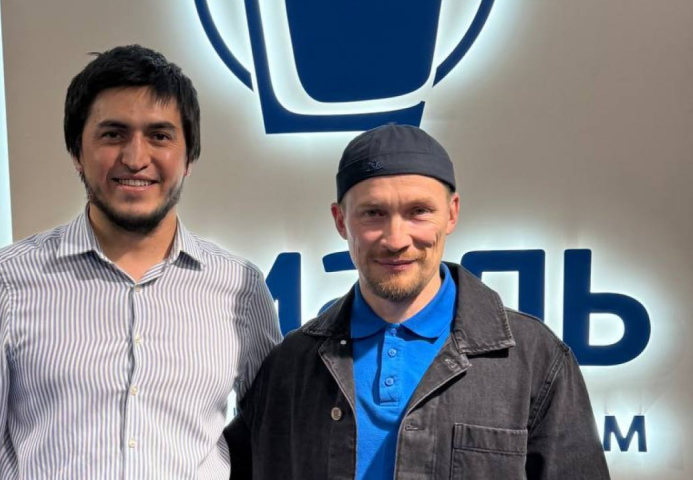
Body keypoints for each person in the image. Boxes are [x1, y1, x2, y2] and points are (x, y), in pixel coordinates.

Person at [0, 45, 281, 479]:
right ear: (76, 152)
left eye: (159, 136)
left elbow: (276, 442)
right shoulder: (6, 280)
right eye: (113, 134)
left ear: (188, 157)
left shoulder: (239, 286)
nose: (135, 159)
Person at [225, 124, 610, 479]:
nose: (396, 240)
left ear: (452, 214)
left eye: (418, 212)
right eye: (373, 213)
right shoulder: (291, 365)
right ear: (341, 221)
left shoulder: (533, 358)